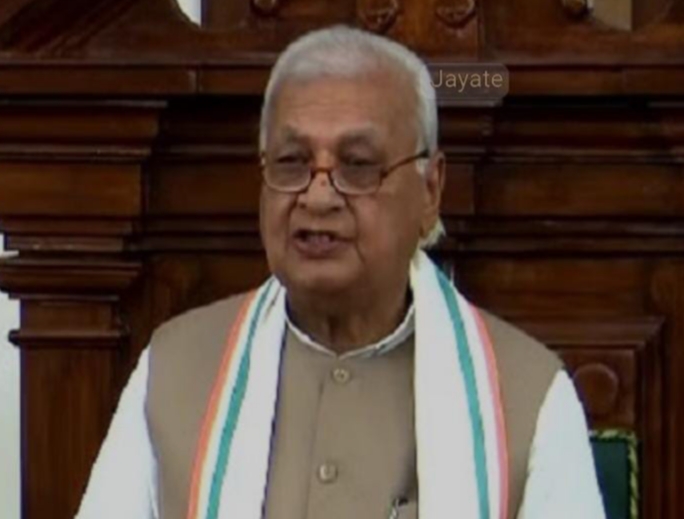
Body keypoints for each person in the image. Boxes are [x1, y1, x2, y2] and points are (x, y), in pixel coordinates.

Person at [75, 25, 606, 519]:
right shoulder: (174, 370)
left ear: (430, 190)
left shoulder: (527, 395)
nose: (319, 196)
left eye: (358, 165)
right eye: (291, 161)